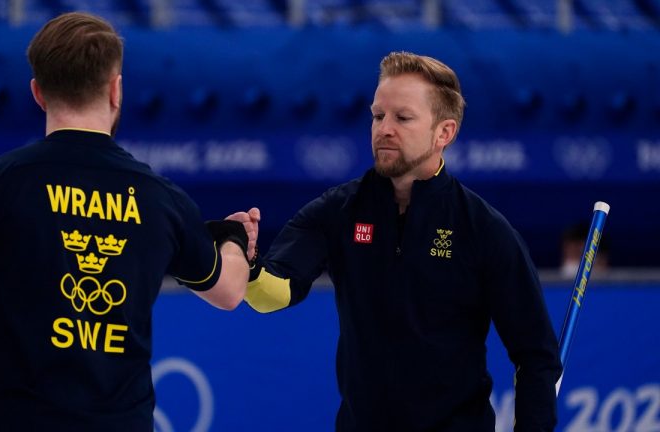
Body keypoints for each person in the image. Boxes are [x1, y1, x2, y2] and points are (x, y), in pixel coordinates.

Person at [0, 12, 252, 432]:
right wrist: (235, 238)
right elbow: (229, 291)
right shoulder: (160, 198)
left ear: (38, 93)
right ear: (116, 90)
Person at [231, 52, 563, 431]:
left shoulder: (485, 229)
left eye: (402, 118)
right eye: (377, 116)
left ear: (445, 133)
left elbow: (536, 356)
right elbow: (273, 293)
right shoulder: (338, 210)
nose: (384, 129)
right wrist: (250, 265)